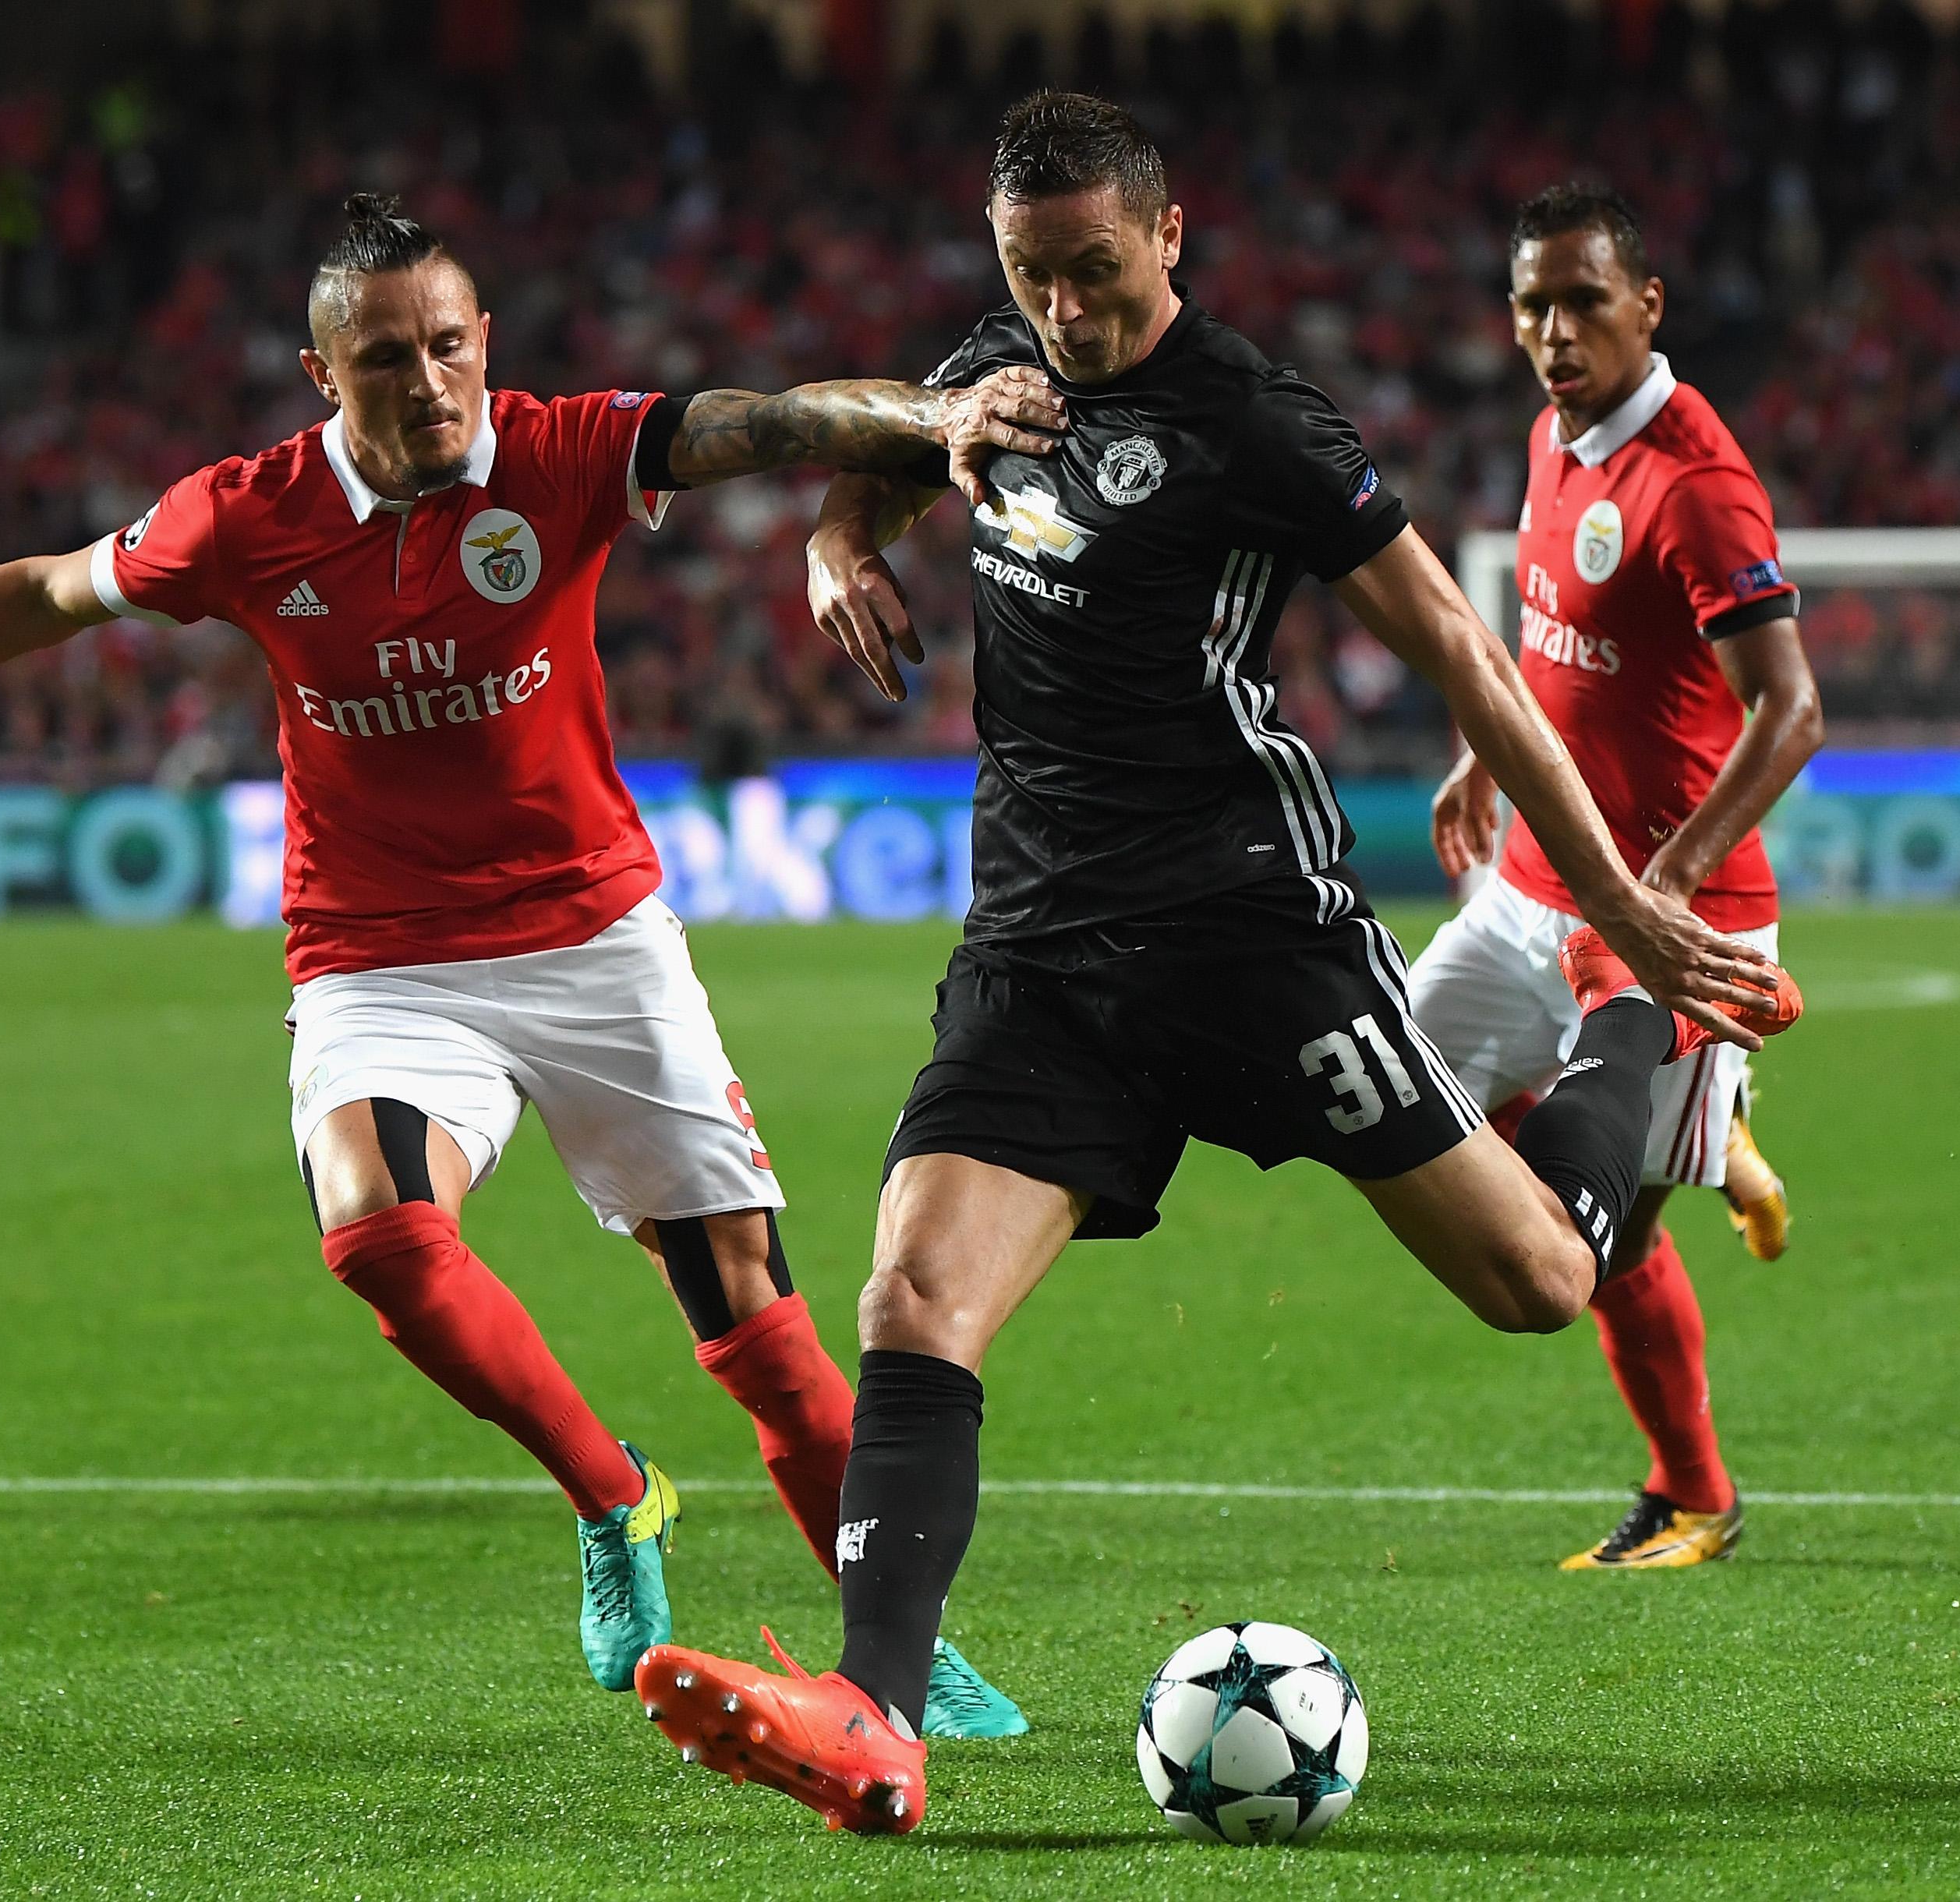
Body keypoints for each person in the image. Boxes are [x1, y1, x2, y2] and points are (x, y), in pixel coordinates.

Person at [0, 195, 1060, 1734]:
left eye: (450, 343)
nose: (430, 379)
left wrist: (931, 414)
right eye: (387, 356)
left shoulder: (562, 447)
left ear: (484, 345)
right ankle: (615, 1494)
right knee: (378, 1231)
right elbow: (41, 594)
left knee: (765, 1343)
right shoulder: (245, 515)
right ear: (325, 375)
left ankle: (896, 1655)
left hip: (595, 939)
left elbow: (776, 420)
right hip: (381, 960)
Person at [628, 93, 1800, 1835]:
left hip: (1256, 934)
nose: (1065, 315)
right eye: (1032, 277)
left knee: (1538, 1280)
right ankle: (874, 1712)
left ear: (1166, 237)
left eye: (1095, 272)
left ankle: (1636, 1030)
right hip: (1039, 947)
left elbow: (1470, 655)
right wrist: (835, 536)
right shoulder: (997, 361)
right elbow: (896, 436)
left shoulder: (1255, 421)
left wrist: (1624, 915)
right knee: (907, 1300)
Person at [1410, 185, 1822, 1571]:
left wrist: (1666, 880)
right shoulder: (1551, 434)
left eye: (1583, 299)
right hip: (1530, 886)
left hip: (1674, 927)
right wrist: (1487, 750)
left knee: (1597, 1247)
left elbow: (1795, 711)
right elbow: (1547, 642)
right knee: (1389, 1087)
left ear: (1648, 305)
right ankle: (1710, 1133)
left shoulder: (1697, 482)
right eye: (1532, 302)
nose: (1552, 328)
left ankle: (1696, 1493)